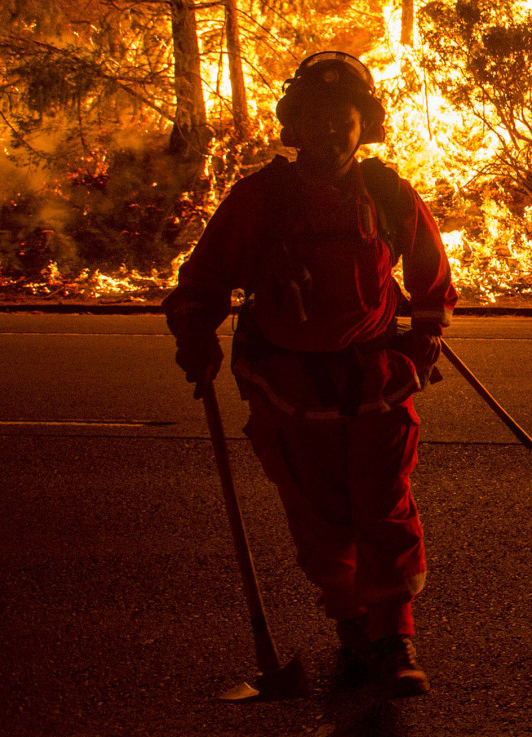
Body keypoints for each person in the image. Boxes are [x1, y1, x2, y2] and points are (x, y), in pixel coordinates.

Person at [163, 51, 456, 697]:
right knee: (320, 519)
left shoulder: (386, 193)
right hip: (286, 389)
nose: (329, 132)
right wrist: (194, 331)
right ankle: (352, 621)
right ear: (294, 128)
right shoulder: (259, 200)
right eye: (315, 120)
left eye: (343, 120)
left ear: (364, 126)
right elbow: (205, 279)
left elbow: (432, 277)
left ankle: (394, 636)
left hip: (376, 382)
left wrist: (423, 338)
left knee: (385, 508)